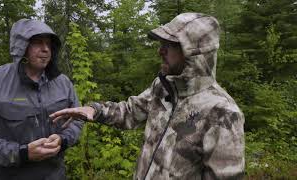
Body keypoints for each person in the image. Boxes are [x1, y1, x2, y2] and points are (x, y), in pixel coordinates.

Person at [51, 13, 245, 179]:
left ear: (195, 53)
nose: (160, 50)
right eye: (162, 43)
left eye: (170, 45)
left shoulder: (222, 113)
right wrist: (95, 109)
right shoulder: (163, 87)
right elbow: (129, 112)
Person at [0, 19, 83, 180]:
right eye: (38, 43)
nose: (45, 49)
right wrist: (22, 153)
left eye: (48, 44)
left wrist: (63, 139)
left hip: (54, 175)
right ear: (21, 47)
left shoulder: (62, 82)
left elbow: (77, 119)